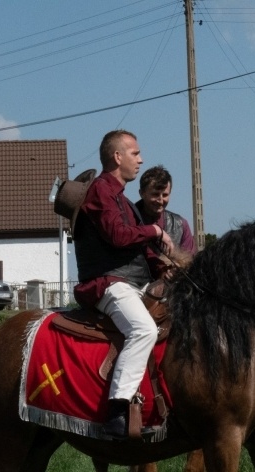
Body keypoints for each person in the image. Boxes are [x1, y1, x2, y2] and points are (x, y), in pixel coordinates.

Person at [72, 129, 175, 440]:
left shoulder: (123, 200)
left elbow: (136, 247)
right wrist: (156, 231)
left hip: (128, 282)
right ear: (117, 157)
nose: (140, 159)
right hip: (106, 284)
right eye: (135, 153)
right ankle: (118, 411)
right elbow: (118, 236)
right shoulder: (100, 192)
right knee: (143, 329)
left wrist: (163, 267)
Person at [135, 165, 197, 257]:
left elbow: (190, 262)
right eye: (155, 194)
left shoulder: (181, 225)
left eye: (165, 195)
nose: (160, 200)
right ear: (142, 193)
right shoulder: (127, 219)